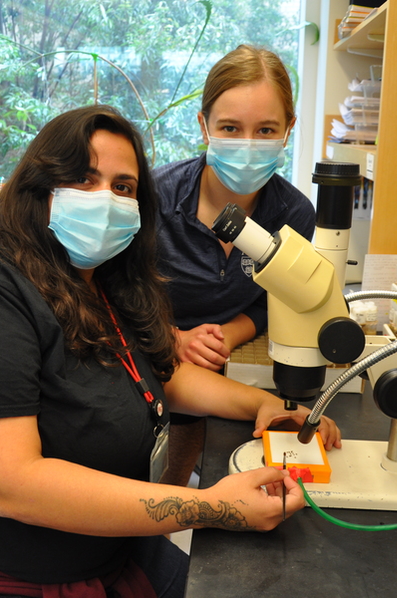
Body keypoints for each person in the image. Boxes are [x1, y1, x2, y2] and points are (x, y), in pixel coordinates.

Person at [0, 105, 340, 598]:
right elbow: (9, 483)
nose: (106, 199)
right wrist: (208, 505)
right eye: (83, 179)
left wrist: (260, 404)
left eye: (123, 187)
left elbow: (161, 373)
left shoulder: (101, 282)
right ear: (39, 189)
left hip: (102, 552)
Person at [153, 45, 317, 486]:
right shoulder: (153, 200)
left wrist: (226, 335)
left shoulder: (294, 214)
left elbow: (276, 303)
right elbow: (107, 295)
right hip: (147, 355)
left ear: (288, 130)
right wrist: (173, 338)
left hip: (228, 361)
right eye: (230, 127)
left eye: (266, 129)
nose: (248, 145)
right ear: (204, 126)